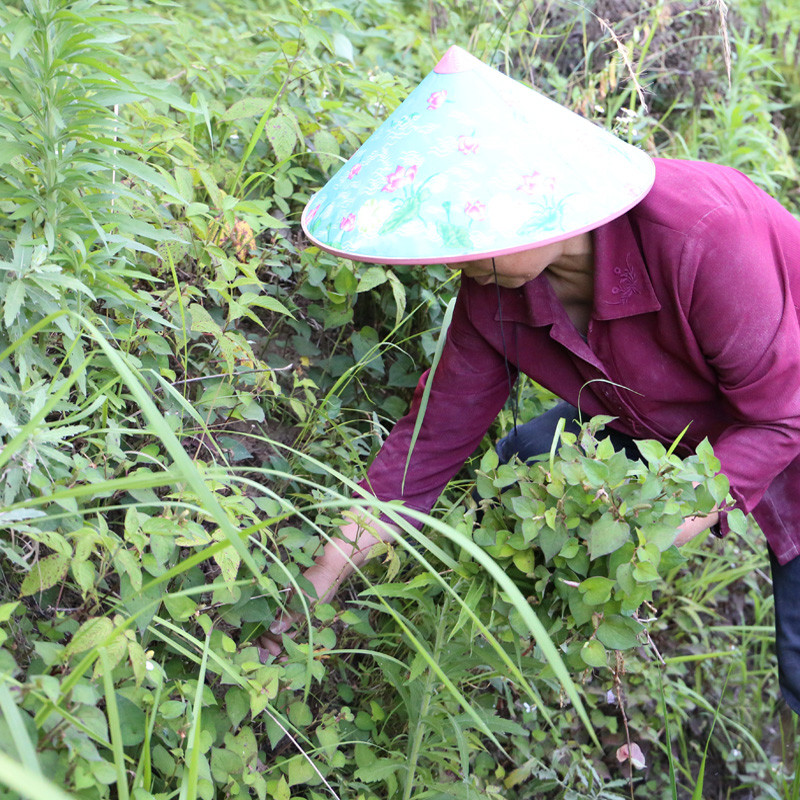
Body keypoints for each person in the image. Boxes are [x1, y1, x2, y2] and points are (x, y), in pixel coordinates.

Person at [259, 46, 800, 715]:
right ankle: (507, 678)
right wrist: (315, 583)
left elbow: (783, 418)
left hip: (784, 408)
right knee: (523, 464)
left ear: (541, 191)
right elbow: (428, 447)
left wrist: (644, 535)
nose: (462, 251)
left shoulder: (703, 236)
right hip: (670, 421)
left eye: (477, 223)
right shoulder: (493, 290)